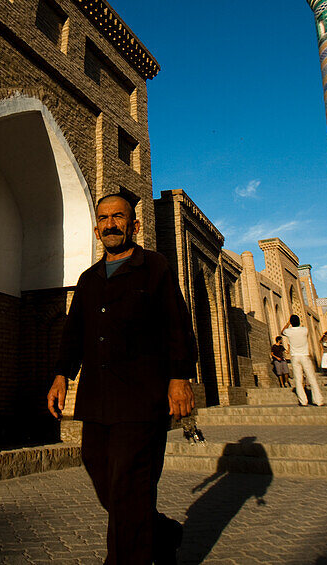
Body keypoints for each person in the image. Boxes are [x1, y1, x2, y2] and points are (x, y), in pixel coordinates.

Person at [47, 194, 198, 565]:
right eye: (104, 218)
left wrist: (179, 378)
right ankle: (162, 533)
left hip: (141, 399)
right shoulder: (89, 278)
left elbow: (177, 324)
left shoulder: (155, 267)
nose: (111, 224)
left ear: (135, 225)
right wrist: (61, 374)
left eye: (118, 217)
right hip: (98, 401)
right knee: (106, 481)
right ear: (97, 227)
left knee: (129, 488)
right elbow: (74, 331)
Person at [280, 315, 324, 406]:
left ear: (291, 323)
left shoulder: (289, 331)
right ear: (299, 322)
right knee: (312, 378)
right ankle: (318, 400)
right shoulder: (304, 330)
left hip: (295, 357)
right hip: (305, 356)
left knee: (298, 380)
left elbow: (282, 331)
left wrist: (288, 323)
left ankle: (303, 401)